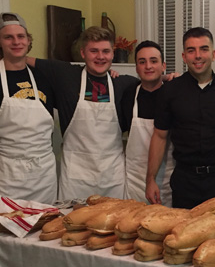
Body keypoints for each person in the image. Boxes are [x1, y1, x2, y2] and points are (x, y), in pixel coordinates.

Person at [0, 12, 62, 267]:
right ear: (1, 42)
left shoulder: (44, 77)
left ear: (28, 41)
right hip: (7, 171)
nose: (16, 42)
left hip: (42, 170)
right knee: (7, 243)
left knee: (42, 238)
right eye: (9, 37)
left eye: (21, 37)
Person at [27, 26, 138, 201]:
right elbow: (21, 59)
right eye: (93, 51)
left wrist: (166, 78)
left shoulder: (123, 84)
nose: (100, 57)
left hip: (112, 178)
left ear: (112, 53)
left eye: (105, 51)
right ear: (83, 53)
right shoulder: (65, 74)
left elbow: (150, 83)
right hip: (75, 180)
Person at [146, 27, 215, 209]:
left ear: (213, 54)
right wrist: (150, 180)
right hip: (184, 180)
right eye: (191, 50)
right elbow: (159, 136)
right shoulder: (170, 91)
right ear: (184, 56)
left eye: (204, 49)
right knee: (183, 234)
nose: (198, 55)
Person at [122, 40, 174, 205]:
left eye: (154, 61)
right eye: (142, 62)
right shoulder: (129, 93)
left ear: (163, 65)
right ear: (136, 68)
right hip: (135, 181)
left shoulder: (175, 93)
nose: (148, 66)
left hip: (168, 179)